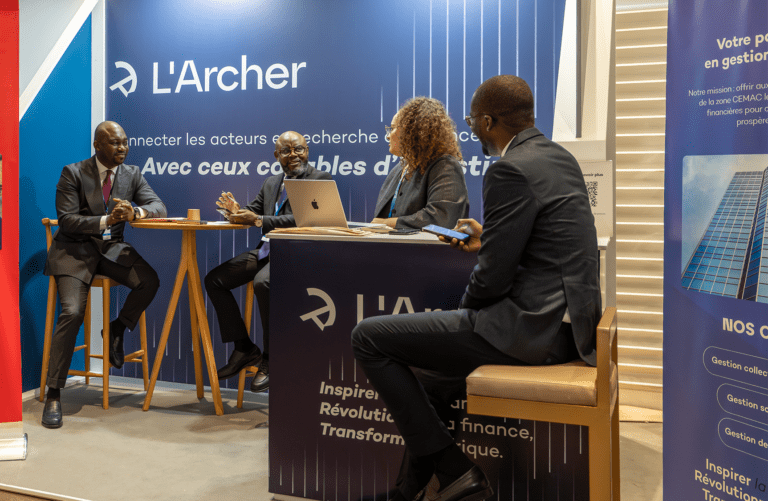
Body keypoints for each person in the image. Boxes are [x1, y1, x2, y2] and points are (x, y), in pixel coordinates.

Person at [351, 75, 601, 501]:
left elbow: (492, 278)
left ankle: (457, 471)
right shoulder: (559, 158)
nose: (471, 131)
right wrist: (487, 241)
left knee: (367, 338)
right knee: (433, 376)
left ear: (487, 121)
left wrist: (467, 314)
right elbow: (544, 246)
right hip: (571, 327)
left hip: (532, 331)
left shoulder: (509, 168)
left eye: (472, 122)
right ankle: (410, 491)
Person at [42, 121, 167, 429]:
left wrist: (136, 212)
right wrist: (106, 219)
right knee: (73, 312)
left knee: (149, 281)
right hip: (74, 252)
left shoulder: (131, 174)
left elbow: (158, 207)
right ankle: (54, 393)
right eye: (114, 143)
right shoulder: (73, 173)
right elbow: (67, 220)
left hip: (110, 250)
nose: (122, 148)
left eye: (125, 142)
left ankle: (116, 329)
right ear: (97, 145)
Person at [205, 131, 332, 393]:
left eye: (299, 149)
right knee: (215, 280)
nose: (294, 155)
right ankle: (244, 349)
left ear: (307, 150)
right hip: (267, 250)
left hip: (298, 253)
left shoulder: (319, 179)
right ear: (277, 156)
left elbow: (306, 220)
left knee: (263, 283)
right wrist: (236, 211)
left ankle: (271, 359)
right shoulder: (272, 182)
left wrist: (258, 220)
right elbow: (254, 211)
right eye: (286, 151)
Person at [372, 97, 468, 229]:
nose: (388, 136)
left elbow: (442, 218)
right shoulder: (398, 169)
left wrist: (386, 223)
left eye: (392, 128)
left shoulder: (445, 166)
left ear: (412, 131)